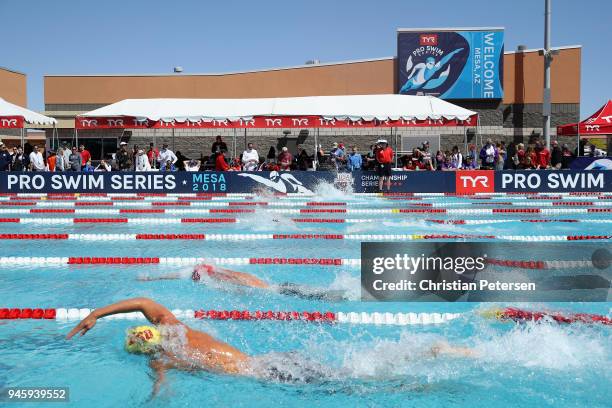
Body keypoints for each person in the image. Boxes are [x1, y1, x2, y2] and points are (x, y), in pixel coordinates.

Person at [67, 297, 476, 395]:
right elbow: (141, 304)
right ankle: (422, 355)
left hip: (270, 372)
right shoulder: (176, 331)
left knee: (354, 383)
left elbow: (161, 388)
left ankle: (420, 369)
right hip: (276, 361)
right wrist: (95, 314)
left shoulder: (169, 357)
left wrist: (155, 394)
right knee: (350, 373)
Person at [139, 264, 349, 301]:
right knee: (309, 293)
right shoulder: (216, 274)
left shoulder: (219, 274)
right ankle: (335, 292)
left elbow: (239, 284)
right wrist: (152, 278)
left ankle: (339, 293)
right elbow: (177, 275)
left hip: (276, 290)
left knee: (311, 295)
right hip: (276, 288)